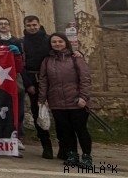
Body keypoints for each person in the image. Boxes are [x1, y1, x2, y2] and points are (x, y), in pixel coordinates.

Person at [39, 33, 93, 169]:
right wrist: (42, 100)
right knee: (65, 131)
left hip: (76, 101)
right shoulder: (47, 61)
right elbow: (44, 81)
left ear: (66, 42)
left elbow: (85, 79)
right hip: (56, 102)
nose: (57, 44)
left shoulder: (76, 58)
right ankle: (72, 154)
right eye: (54, 42)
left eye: (60, 41)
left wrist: (84, 97)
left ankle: (86, 156)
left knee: (80, 130)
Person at [21, 15, 54, 159]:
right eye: (29, 25)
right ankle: (46, 146)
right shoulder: (22, 43)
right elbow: (21, 65)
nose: (32, 28)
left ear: (39, 25)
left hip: (51, 80)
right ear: (25, 27)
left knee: (58, 112)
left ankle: (65, 146)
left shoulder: (50, 40)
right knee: (37, 113)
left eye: (34, 25)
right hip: (32, 81)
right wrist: (28, 84)